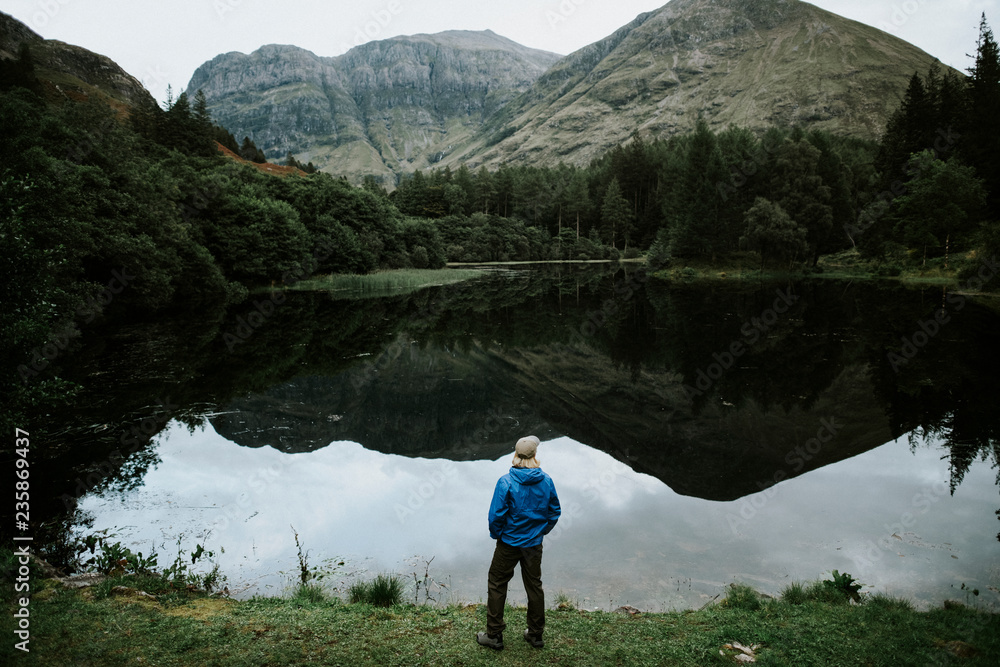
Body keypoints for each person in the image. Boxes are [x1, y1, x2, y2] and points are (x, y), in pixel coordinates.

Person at [476, 435, 561, 651]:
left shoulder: (506, 482)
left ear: (516, 455)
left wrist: (498, 535)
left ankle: (494, 636)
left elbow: (495, 517)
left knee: (497, 583)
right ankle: (536, 635)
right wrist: (541, 531)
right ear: (534, 455)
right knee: (534, 586)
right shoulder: (546, 480)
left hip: (509, 543)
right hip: (533, 544)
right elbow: (554, 512)